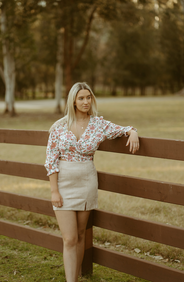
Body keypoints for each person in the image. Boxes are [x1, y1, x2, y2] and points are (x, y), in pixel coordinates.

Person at [44, 82, 139, 282]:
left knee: (80, 234)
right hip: (63, 184)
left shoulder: (98, 124)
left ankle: (75, 278)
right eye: (81, 98)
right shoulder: (59, 127)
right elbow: (51, 160)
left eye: (89, 97)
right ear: (73, 101)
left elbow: (124, 129)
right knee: (69, 238)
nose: (86, 102)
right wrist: (54, 191)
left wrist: (133, 132)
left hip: (87, 182)